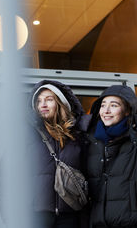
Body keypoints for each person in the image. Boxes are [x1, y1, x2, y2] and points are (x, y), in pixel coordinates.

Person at [28, 80, 87, 228]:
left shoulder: (77, 136)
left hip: (70, 216)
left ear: (60, 103)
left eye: (49, 100)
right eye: (39, 101)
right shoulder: (27, 135)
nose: (43, 104)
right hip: (37, 215)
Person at [84, 85, 137, 227]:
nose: (106, 111)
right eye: (103, 105)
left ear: (127, 111)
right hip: (96, 223)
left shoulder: (134, 142)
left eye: (114, 105)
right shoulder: (89, 141)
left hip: (128, 222)